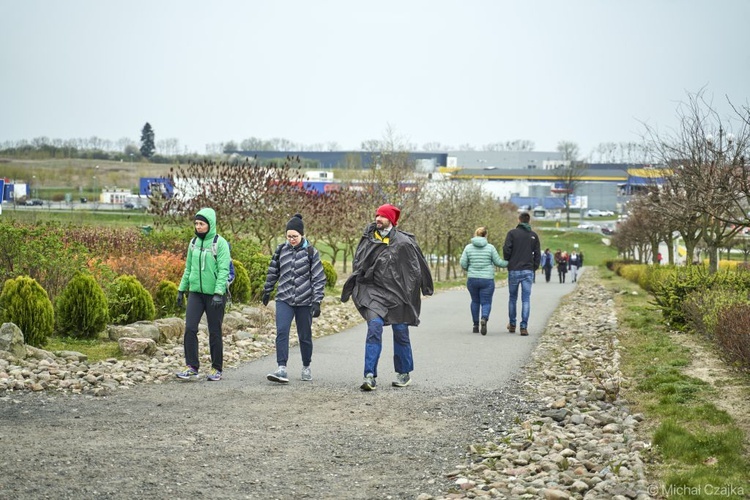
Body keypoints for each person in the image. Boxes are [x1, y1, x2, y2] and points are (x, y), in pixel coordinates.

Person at [341, 203, 434, 391]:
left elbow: (417, 266)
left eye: (382, 216)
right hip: (373, 293)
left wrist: (424, 286)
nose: (378, 219)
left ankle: (403, 372)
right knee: (374, 328)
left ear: (391, 220)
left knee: (400, 331)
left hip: (398, 295)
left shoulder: (404, 242)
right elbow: (359, 262)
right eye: (377, 215)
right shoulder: (368, 239)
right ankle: (369, 376)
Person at [262, 214, 326, 383]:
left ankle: (306, 366)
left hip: (305, 300)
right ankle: (281, 368)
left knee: (304, 335)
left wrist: (317, 301)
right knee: (282, 331)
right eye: (288, 236)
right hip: (284, 297)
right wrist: (267, 290)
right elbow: (273, 271)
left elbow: (319, 278)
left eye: (295, 236)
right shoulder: (281, 250)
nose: (291, 239)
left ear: (302, 235)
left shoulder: (311, 252)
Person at [175, 207, 231, 381]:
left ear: (210, 224)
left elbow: (223, 270)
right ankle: (192, 366)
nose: (198, 227)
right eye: (196, 223)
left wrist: (218, 292)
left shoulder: (219, 243)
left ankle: (216, 368)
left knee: (214, 331)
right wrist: (181, 289)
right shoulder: (193, 243)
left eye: (202, 224)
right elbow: (188, 268)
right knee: (190, 328)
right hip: (196, 294)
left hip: (215, 295)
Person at [459, 226, 508, 335]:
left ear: (475, 234)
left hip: (472, 279)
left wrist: (469, 269)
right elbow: (498, 262)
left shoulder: (468, 248)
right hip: (487, 280)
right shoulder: (490, 248)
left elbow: (463, 263)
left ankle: (475, 325)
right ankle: (484, 318)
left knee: (475, 301)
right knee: (486, 302)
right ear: (486, 235)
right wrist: (509, 263)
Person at [502, 212, 541, 336]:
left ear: (519, 220)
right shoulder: (533, 236)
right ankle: (523, 327)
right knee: (526, 299)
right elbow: (538, 254)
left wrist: (508, 260)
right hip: (527, 270)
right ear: (529, 221)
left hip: (514, 269)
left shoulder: (512, 233)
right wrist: (533, 267)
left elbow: (506, 249)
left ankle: (512, 324)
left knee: (513, 298)